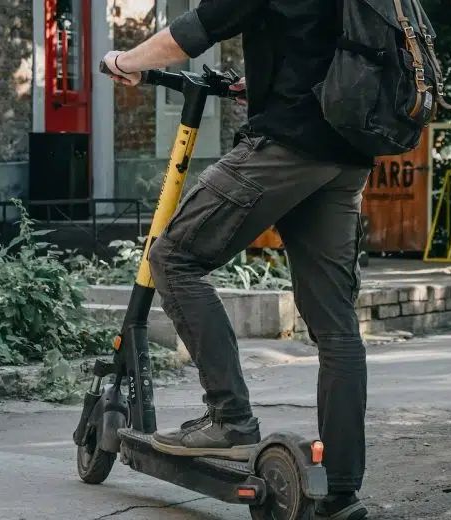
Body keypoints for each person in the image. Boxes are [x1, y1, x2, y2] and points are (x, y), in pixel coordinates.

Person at [102, 1, 374, 518]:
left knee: (173, 256)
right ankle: (339, 489)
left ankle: (230, 419)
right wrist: (268, 79)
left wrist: (127, 60)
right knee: (337, 327)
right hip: (347, 156)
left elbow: (192, 32)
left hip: (288, 145)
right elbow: (320, 41)